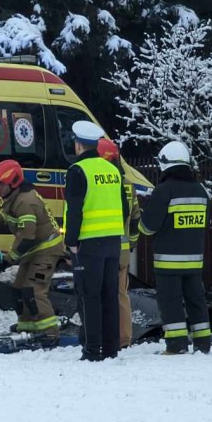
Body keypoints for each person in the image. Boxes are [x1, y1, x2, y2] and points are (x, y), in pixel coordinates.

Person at [0, 159, 65, 343]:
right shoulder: (14, 197)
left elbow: (26, 237)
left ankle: (49, 332)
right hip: (34, 250)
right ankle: (27, 325)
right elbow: (9, 217)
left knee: (34, 290)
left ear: (12, 182)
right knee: (18, 289)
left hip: (46, 250)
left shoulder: (26, 202)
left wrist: (8, 260)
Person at [139, 141, 212, 355]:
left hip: (168, 262)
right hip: (194, 260)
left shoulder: (163, 191)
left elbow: (148, 227)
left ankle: (176, 344)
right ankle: (203, 343)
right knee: (196, 300)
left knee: (170, 302)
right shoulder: (201, 191)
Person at [63, 121, 127, 361]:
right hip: (113, 241)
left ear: (78, 145)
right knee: (110, 295)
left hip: (88, 243)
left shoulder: (77, 170)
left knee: (89, 296)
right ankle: (111, 348)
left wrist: (71, 241)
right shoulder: (113, 170)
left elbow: (75, 209)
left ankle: (92, 350)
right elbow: (123, 205)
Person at [96, 137, 141, 349]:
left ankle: (107, 335)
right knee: (121, 294)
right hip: (122, 251)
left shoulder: (102, 182)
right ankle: (124, 337)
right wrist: (131, 244)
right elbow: (135, 219)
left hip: (102, 248)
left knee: (102, 293)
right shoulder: (128, 186)